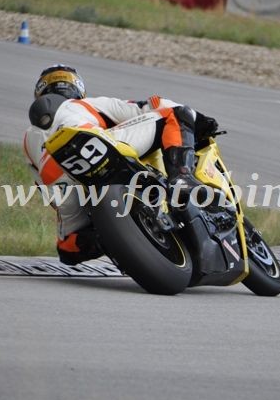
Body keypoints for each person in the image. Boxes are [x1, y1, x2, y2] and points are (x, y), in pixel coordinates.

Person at [23, 64, 218, 265]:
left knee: (67, 250)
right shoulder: (84, 104)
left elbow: (45, 189)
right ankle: (182, 176)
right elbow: (150, 106)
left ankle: (107, 238)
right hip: (98, 147)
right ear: (77, 87)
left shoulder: (28, 140)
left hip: (63, 181)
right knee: (176, 114)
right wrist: (197, 119)